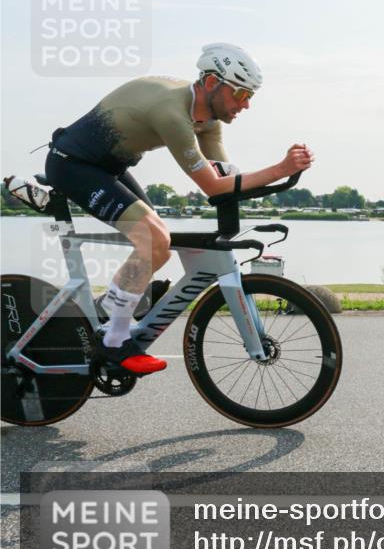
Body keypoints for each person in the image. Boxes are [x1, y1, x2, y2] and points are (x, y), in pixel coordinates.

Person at [45, 42, 313, 375]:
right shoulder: (173, 113)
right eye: (241, 95)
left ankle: (108, 313)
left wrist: (276, 180)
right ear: (213, 83)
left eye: (250, 97)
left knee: (160, 244)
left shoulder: (208, 119)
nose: (245, 106)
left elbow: (225, 177)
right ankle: (113, 342)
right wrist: (279, 169)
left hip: (107, 166)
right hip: (73, 165)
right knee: (153, 239)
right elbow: (212, 186)